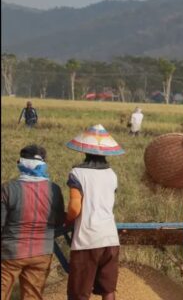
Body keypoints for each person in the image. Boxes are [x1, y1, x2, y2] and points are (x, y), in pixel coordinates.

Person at [65, 125, 124, 300]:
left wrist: (67, 219)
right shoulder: (111, 174)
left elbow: (75, 208)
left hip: (87, 240)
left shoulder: (77, 173)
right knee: (108, 289)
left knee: (79, 293)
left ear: (85, 150)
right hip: (110, 239)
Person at [1, 145, 65, 300]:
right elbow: (59, 221)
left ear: (20, 163)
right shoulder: (54, 190)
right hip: (42, 252)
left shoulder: (8, 188)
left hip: (11, 252)